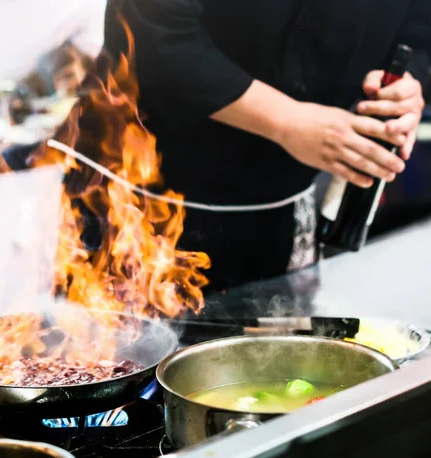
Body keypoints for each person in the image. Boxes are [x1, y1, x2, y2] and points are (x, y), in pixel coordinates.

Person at [102, 0, 430, 290]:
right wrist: (286, 121)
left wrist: (407, 85)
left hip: (284, 209)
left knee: (275, 355)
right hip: (139, 202)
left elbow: (418, 33)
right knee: (119, 356)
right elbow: (153, 36)